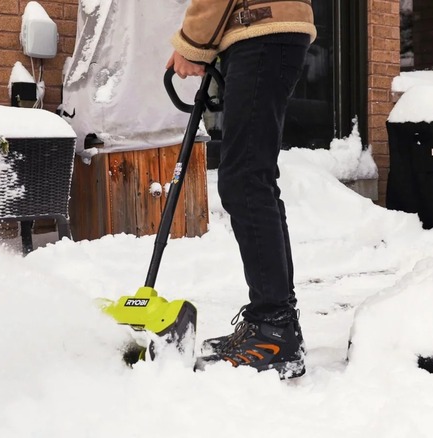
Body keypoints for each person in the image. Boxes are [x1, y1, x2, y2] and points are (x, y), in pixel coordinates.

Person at [166, 0, 316, 378]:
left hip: (262, 33)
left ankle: (274, 329)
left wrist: (191, 43)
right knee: (255, 177)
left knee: (245, 179)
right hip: (265, 34)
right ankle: (277, 319)